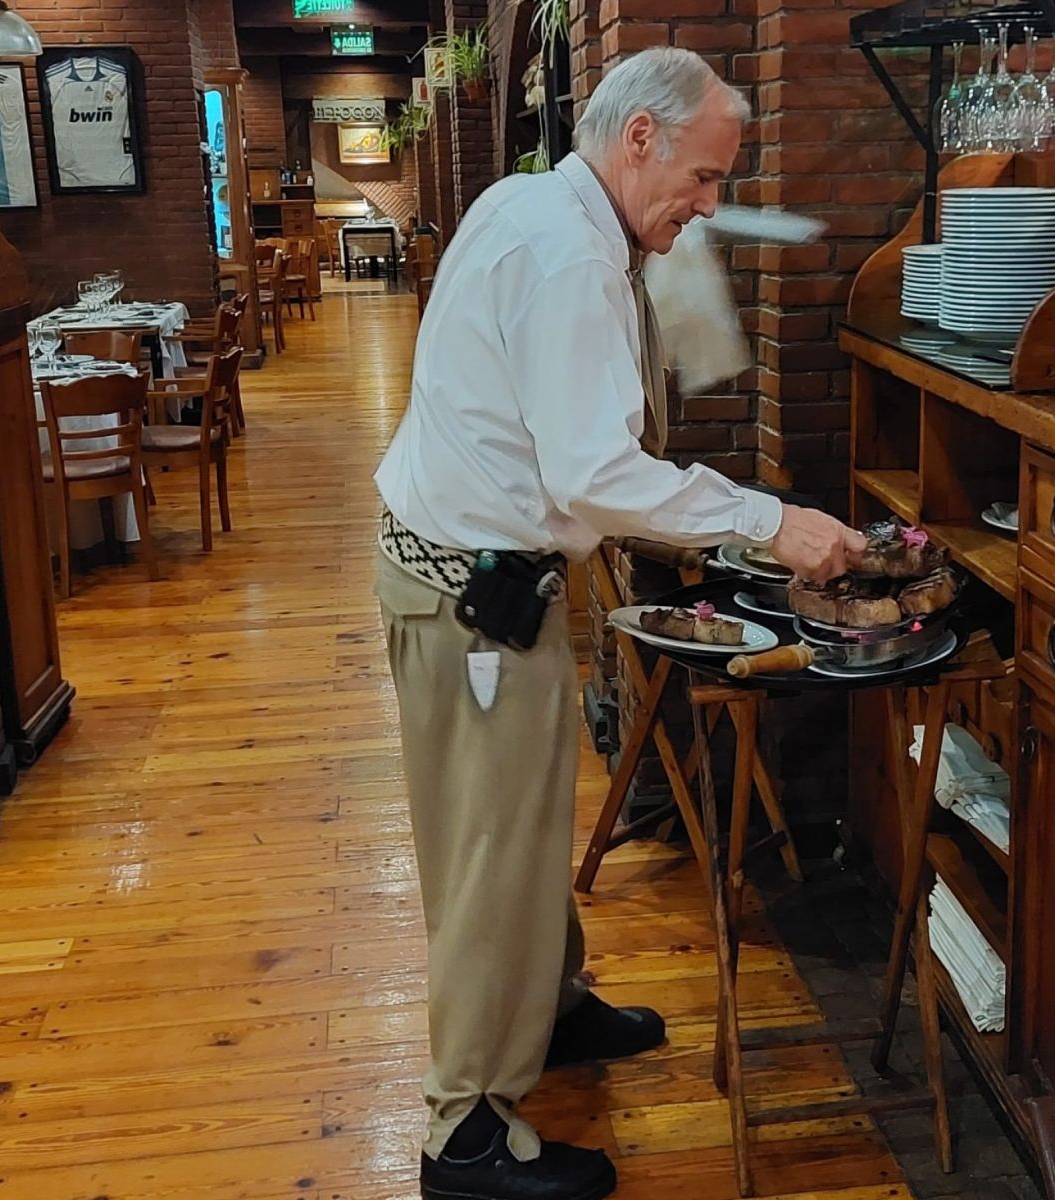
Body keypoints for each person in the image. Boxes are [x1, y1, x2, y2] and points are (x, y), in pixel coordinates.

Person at [374, 46, 866, 1200]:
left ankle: (545, 1014)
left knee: (529, 823)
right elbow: (596, 472)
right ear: (637, 137)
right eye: (700, 178)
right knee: (491, 850)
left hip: (486, 581)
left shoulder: (547, 204)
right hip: (470, 598)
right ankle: (464, 1136)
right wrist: (768, 521)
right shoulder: (567, 254)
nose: (706, 206)